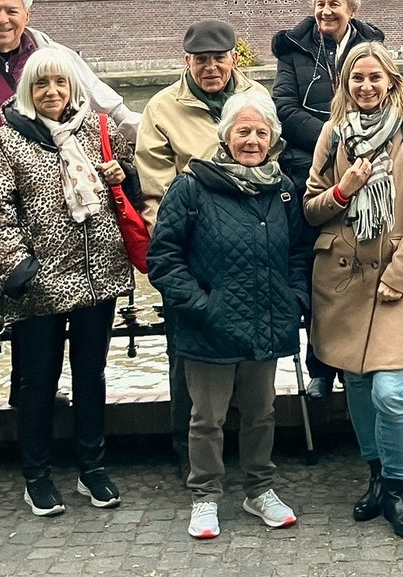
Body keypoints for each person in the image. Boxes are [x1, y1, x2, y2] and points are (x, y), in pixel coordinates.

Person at [0, 0, 138, 423]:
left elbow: (104, 104)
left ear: (27, 13)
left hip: (41, 193)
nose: (2, 20)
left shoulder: (54, 54)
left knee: (33, 292)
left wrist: (153, 133)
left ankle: (28, 386)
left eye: (11, 10)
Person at [0, 47, 138, 518]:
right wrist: (18, 269)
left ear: (73, 87)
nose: (51, 92)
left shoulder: (98, 129)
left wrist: (122, 173)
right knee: (37, 381)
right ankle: (37, 475)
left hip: (98, 276)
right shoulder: (8, 141)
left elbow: (131, 184)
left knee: (91, 375)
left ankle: (93, 467)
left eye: (60, 83)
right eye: (41, 84)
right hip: (39, 282)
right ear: (28, 89)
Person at [148, 92, 310, 541]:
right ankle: (205, 494)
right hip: (210, 326)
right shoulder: (192, 187)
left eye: (261, 132)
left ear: (272, 139)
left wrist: (294, 297)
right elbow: (164, 257)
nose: (252, 140)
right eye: (243, 131)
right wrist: (202, 306)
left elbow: (299, 251)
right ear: (226, 136)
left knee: (261, 413)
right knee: (207, 418)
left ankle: (260, 489)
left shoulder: (282, 189)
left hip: (265, 320)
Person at [304, 41, 403, 540]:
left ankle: (397, 487)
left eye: (374, 77)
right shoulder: (332, 132)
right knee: (357, 385)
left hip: (393, 277)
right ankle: (376, 476)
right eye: (356, 78)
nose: (365, 86)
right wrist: (345, 188)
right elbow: (311, 207)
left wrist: (399, 275)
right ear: (345, 84)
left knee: (389, 390)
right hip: (342, 278)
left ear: (391, 82)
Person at [134, 18, 265, 474]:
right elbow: (155, 189)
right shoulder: (162, 107)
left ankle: (246, 453)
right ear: (187, 61)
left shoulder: (256, 98)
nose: (211, 68)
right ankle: (187, 453)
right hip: (192, 251)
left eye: (219, 59)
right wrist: (178, 249)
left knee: (249, 352)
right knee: (187, 355)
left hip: (248, 252)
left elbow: (270, 166)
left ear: (233, 58)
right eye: (201, 60)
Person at [273, 0, 384, 398]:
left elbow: (385, 100)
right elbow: (284, 108)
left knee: (359, 269)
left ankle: (361, 361)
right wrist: (332, 139)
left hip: (368, 172)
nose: (325, 11)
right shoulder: (293, 48)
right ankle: (320, 365)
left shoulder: (371, 47)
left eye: (334, 4)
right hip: (311, 172)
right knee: (317, 271)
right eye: (320, 3)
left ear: (352, 9)